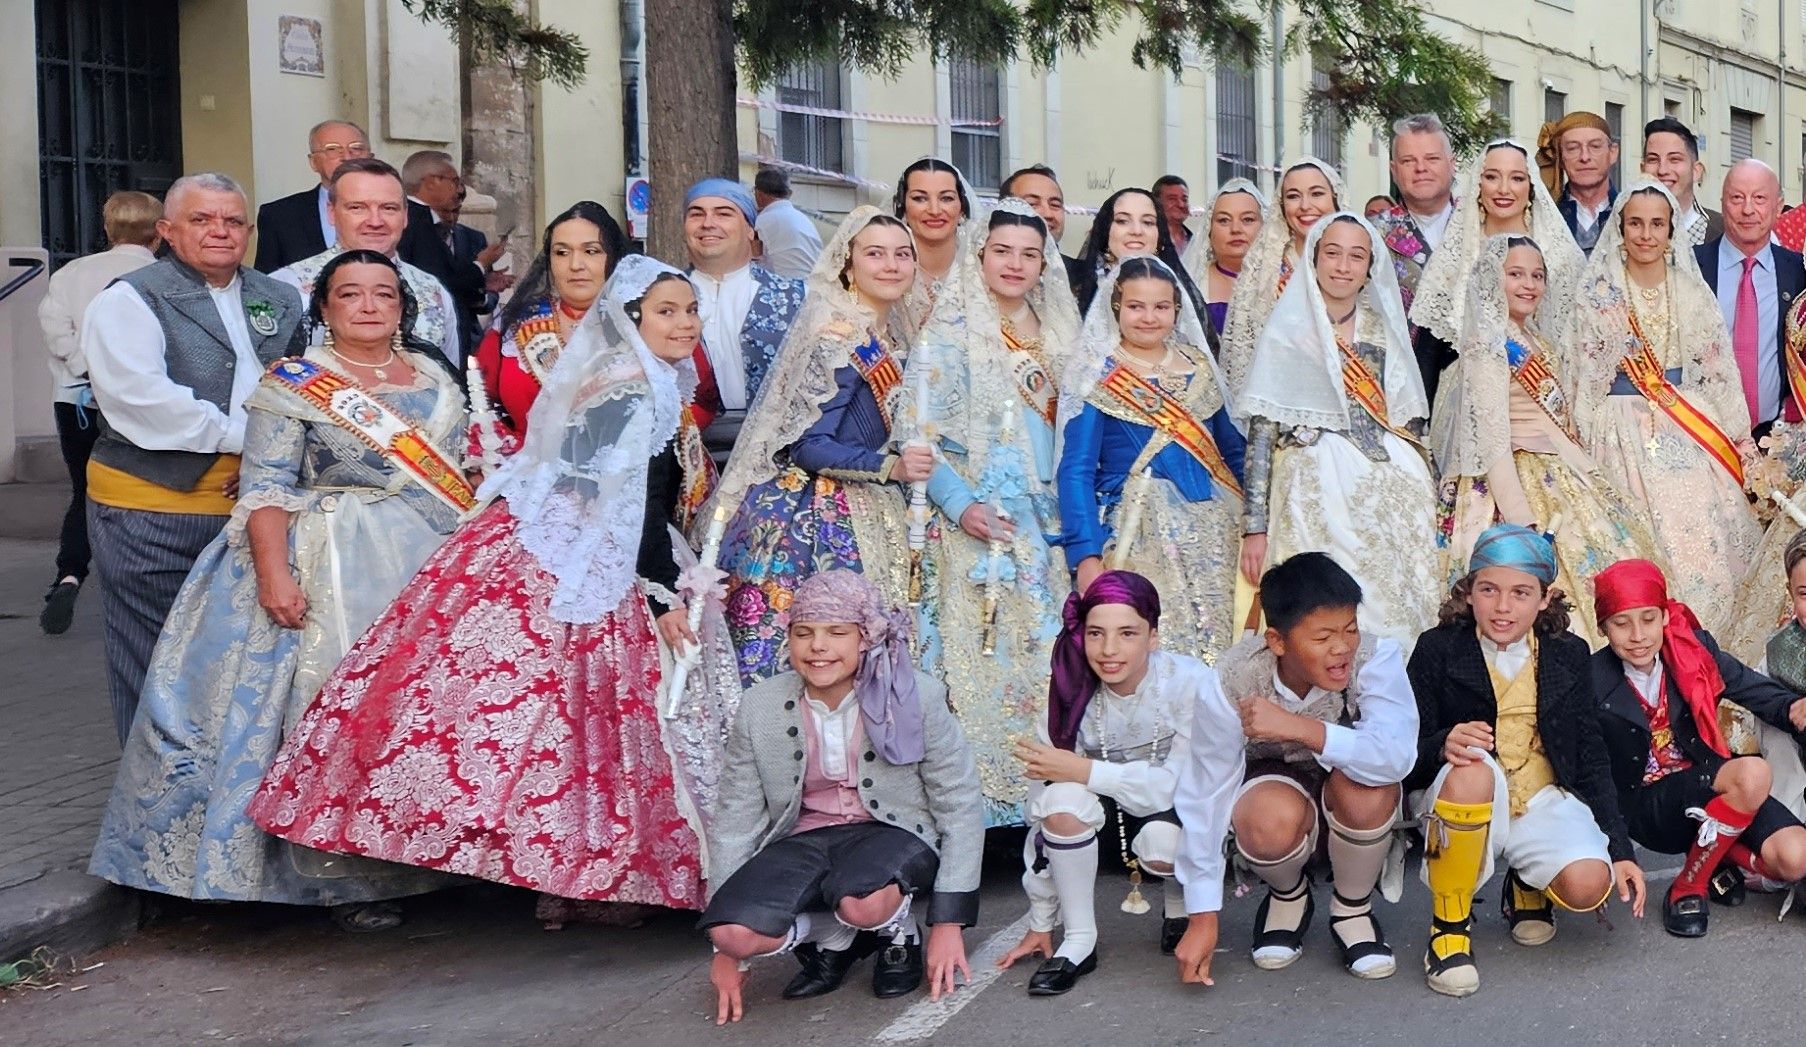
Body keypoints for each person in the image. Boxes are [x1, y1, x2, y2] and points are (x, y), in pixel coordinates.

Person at [250, 257, 739, 922]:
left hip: (554, 542)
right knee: (590, 719)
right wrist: (662, 597)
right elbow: (633, 508)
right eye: (666, 311)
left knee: (559, 725)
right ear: (630, 321)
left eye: (689, 311)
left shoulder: (629, 376)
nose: (684, 323)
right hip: (592, 557)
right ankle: (589, 876)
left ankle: (566, 881)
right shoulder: (635, 389)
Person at [90, 250, 470, 925]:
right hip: (324, 556)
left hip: (424, 558)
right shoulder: (294, 381)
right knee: (324, 707)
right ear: (323, 308)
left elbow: (459, 471)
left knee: (417, 710)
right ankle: (343, 881)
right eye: (349, 294)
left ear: (402, 305)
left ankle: (427, 859)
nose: (368, 305)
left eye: (383, 293)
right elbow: (265, 486)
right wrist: (274, 573)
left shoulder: (436, 376)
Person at [82, 172, 307, 746]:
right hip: (153, 514)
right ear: (166, 231)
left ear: (250, 231)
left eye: (232, 221)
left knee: (242, 663)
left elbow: (301, 388)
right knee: (154, 662)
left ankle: (222, 806)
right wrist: (250, 443)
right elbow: (142, 401)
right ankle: (150, 810)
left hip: (253, 512)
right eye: (201, 220)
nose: (219, 232)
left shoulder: (279, 297)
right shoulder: (131, 298)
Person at [700, 570, 983, 1021]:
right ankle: (834, 936)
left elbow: (960, 802)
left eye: (837, 632)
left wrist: (949, 923)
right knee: (735, 932)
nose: (818, 646)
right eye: (804, 633)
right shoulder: (759, 707)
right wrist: (726, 949)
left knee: (865, 901)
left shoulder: (917, 695)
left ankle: (899, 932)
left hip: (893, 832)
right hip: (806, 836)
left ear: (865, 638)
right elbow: (737, 817)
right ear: (788, 639)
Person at [1407, 526, 1645, 998]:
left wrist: (1620, 848)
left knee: (1587, 885)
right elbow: (1402, 747)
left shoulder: (1566, 653)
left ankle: (1525, 886)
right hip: (1456, 795)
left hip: (1537, 793)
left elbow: (1589, 750)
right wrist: (1441, 743)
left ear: (1544, 599)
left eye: (1520, 593)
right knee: (1474, 768)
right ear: (1468, 591)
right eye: (1488, 590)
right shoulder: (1437, 648)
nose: (1502, 607)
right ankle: (1448, 928)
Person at [902, 200, 1081, 826]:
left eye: (1030, 254)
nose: (1016, 264)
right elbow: (916, 433)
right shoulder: (948, 332)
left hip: (1049, 523)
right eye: (1002, 251)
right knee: (983, 656)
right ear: (979, 255)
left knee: (1052, 653)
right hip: (977, 523)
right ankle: (988, 812)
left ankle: (1055, 798)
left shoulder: (1062, 334)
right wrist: (960, 504)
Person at [998, 570, 1241, 995]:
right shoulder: (1068, 692)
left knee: (1164, 845)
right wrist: (1040, 918)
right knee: (1061, 805)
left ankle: (1179, 907)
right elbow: (1039, 806)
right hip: (1107, 822)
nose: (1108, 650)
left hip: (1175, 812)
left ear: (1153, 636)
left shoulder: (1190, 684)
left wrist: (1084, 770)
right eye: (1096, 633)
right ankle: (1078, 940)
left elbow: (1178, 788)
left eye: (1127, 633)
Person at [711, 207, 924, 684]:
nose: (890, 265)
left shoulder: (886, 332)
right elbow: (808, 445)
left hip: (871, 499)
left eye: (901, 254)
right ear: (848, 265)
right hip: (819, 511)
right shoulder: (838, 335)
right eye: (875, 254)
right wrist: (889, 468)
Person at [1432, 235, 1665, 643]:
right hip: (1510, 483)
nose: (1529, 285)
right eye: (1516, 274)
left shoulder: (1536, 340)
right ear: (1492, 279)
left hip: (1555, 470)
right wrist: (1522, 521)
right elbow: (1490, 439)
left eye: (1537, 276)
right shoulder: (1487, 344)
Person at [1235, 213, 1439, 650]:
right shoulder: (1287, 330)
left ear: (1370, 268)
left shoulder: (1383, 329)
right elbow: (1263, 430)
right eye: (1333, 253)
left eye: (1356, 256)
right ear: (1314, 258)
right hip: (1316, 478)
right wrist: (1255, 526)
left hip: (1389, 476)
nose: (1343, 266)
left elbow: (1408, 417)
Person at [1210, 553, 1416, 981]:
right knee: (1265, 817)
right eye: (1323, 637)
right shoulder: (1236, 674)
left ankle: (1352, 906)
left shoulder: (1376, 659)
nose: (1342, 647)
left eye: (1350, 629)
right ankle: (1288, 894)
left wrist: (1301, 728)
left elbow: (1396, 756)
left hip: (1348, 789)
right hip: (1277, 787)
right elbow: (1207, 775)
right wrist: (1200, 913)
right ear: (1278, 641)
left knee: (1371, 786)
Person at [1567, 181, 1761, 632]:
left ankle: (1705, 640)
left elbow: (1717, 368)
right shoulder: (1599, 293)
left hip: (1684, 420)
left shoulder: (1690, 290)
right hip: (1616, 430)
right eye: (1635, 223)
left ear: (1672, 230)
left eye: (1657, 224)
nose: (1646, 235)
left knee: (1703, 540)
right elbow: (1582, 371)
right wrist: (1580, 436)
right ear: (1620, 227)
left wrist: (1738, 436)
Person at [1591, 558, 1806, 937]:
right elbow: (1587, 767)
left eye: (1648, 619)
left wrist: (1792, 707)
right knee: (1752, 773)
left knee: (1795, 858)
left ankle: (1717, 856)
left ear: (1664, 616)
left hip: (1708, 786)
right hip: (1649, 804)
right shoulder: (1592, 678)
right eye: (1622, 623)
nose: (1638, 635)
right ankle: (1688, 887)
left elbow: (1747, 685)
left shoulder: (1691, 649)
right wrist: (1619, 848)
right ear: (1603, 627)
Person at [1057, 255, 1245, 663]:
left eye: (1161, 307)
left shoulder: (1199, 366)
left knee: (1225, 640)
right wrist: (1086, 557)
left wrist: (1259, 523)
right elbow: (1076, 472)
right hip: (1137, 531)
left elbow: (1232, 451)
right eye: (1136, 306)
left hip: (1216, 528)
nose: (1148, 317)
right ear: (1116, 309)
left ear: (1177, 311)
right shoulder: (1097, 373)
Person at [34, 189, 161, 634]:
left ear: (107, 229)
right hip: (141, 404)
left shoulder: (72, 273)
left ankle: (69, 573)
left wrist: (85, 367)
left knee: (83, 491)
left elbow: (55, 328)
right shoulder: (164, 277)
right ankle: (137, 587)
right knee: (144, 491)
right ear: (159, 232)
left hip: (76, 401)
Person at [1408, 139, 1586, 409]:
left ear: (1531, 187)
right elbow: (1429, 351)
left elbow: (1574, 349)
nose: (1504, 189)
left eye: (1516, 178)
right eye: (1492, 177)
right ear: (1479, 185)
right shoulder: (1457, 254)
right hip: (1467, 402)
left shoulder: (1561, 257)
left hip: (1543, 404)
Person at [470, 201, 629, 454]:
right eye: (562, 252)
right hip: (525, 476)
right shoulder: (515, 325)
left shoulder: (644, 322)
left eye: (591, 251)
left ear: (614, 257)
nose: (576, 264)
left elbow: (691, 406)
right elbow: (479, 402)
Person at [270, 157, 460, 368]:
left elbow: (450, 383)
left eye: (389, 208)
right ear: (331, 213)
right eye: (357, 208)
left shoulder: (433, 290)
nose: (375, 221)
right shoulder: (284, 289)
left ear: (405, 215)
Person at [684, 177, 808, 448]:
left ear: (750, 229)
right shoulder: (659, 297)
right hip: (682, 455)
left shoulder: (797, 296)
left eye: (724, 213)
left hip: (773, 453)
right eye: (696, 214)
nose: (708, 223)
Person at [1220, 158, 1345, 397]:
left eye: (1317, 194)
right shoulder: (1262, 271)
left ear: (1336, 199)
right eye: (1293, 196)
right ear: (1281, 205)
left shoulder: (1359, 261)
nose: (1305, 206)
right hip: (1279, 401)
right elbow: (1243, 355)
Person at [1699, 159, 1803, 439]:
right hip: (1705, 436)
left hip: (1776, 439)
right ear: (1722, 203)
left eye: (1759, 198)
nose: (1747, 210)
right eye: (1737, 198)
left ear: (1778, 207)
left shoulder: (1797, 271)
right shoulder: (1694, 267)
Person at [403, 149, 512, 359]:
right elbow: (440, 281)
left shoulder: (423, 220)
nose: (459, 190)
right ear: (432, 181)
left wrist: (483, 283)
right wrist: (480, 264)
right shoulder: (415, 221)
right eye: (454, 181)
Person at [1072, 188, 1209, 323]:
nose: (1136, 231)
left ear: (1159, 233)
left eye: (1148, 222)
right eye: (1122, 221)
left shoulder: (1180, 293)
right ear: (1106, 230)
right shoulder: (1075, 289)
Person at [252, 120, 371, 272]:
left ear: (370, 156)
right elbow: (266, 282)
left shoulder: (408, 213)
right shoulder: (279, 215)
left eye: (356, 148)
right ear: (313, 162)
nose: (346, 157)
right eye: (332, 149)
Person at [1372, 114, 1458, 317]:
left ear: (1452, 163)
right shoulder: (1372, 234)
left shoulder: (1478, 225)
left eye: (1432, 159)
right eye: (1408, 161)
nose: (1421, 168)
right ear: (1394, 170)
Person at [1178, 179, 1265, 337]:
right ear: (1209, 230)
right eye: (1224, 220)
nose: (1236, 229)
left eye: (1247, 220)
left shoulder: (1283, 279)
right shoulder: (1191, 282)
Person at [892, 157, 973, 324]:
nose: (934, 210)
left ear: (962, 209)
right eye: (920, 198)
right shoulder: (888, 271)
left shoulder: (980, 272)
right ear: (903, 207)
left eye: (946, 198)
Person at [1537, 111, 1619, 255]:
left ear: (1612, 153)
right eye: (1573, 148)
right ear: (1560, 158)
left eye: (1595, 146)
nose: (1585, 157)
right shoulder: (1544, 219)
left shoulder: (1629, 213)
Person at [1641, 117, 1721, 248]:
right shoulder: (1623, 229)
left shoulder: (1723, 231)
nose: (1662, 170)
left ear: (1696, 171)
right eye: (1653, 160)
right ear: (1643, 169)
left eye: (1674, 159)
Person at [1000, 164, 1083, 290]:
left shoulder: (1085, 278)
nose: (1048, 214)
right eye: (1032, 204)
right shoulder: (985, 272)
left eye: (1055, 205)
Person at [753, 166, 824, 280]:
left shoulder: (763, 221)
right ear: (789, 193)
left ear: (758, 193)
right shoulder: (805, 220)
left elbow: (755, 264)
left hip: (786, 290)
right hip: (816, 288)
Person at [1152, 175, 1194, 254]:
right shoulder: (1150, 240)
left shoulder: (1197, 241)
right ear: (1156, 202)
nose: (1181, 205)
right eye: (1172, 199)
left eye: (1184, 199)